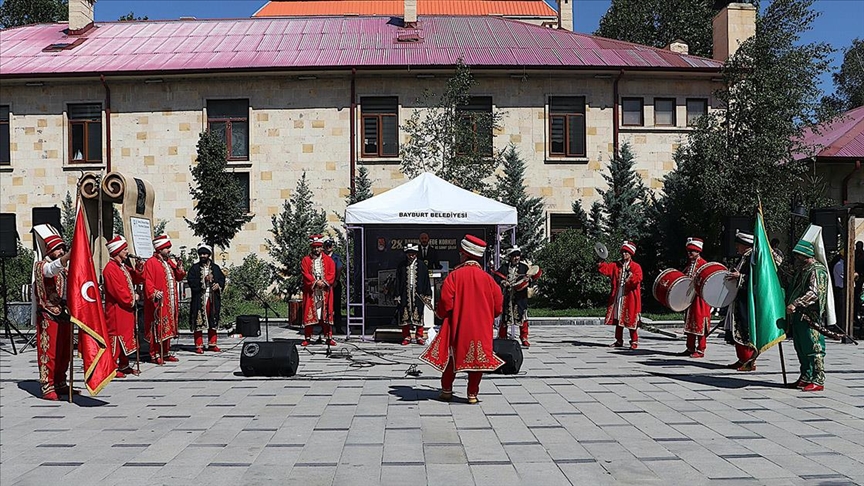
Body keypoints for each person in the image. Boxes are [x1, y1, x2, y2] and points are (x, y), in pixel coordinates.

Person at [420, 235, 504, 404]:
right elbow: (498, 306)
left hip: (458, 325)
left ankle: (446, 390)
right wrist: (488, 315)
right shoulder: (488, 279)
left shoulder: (454, 276)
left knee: (452, 357)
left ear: (465, 255)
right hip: (481, 327)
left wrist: (441, 314)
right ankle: (472, 394)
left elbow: (445, 302)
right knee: (477, 359)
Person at [33, 230, 72, 400]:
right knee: (49, 351)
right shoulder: (42, 265)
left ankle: (60, 382)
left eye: (63, 248)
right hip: (48, 314)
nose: (61, 251)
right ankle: (47, 384)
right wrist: (68, 257)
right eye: (57, 248)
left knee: (64, 351)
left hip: (64, 313)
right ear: (49, 251)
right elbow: (51, 270)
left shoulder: (65, 269)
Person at [786, 239, 829, 392]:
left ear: (806, 254)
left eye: (799, 255)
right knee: (801, 347)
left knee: (814, 347)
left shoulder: (816, 270)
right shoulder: (803, 269)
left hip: (811, 316)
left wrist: (796, 303)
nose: (797, 258)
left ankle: (818, 379)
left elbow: (814, 292)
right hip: (799, 317)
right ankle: (806, 376)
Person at [102, 235, 144, 377]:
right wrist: (133, 298)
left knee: (126, 337)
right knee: (116, 338)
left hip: (125, 310)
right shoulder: (110, 269)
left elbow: (137, 277)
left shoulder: (123, 267)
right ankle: (113, 368)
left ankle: (124, 364)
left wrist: (139, 266)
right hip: (116, 310)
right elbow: (117, 291)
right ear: (117, 250)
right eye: (124, 249)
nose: (127, 251)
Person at [143, 234, 186, 364]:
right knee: (157, 327)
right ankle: (155, 354)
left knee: (168, 326)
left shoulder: (168, 262)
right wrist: (154, 293)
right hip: (159, 301)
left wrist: (179, 267)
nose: (169, 250)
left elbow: (179, 276)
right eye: (166, 248)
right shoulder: (151, 262)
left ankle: (166, 352)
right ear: (159, 249)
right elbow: (147, 281)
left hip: (170, 301)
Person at [493, 245, 542, 348]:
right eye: (514, 256)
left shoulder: (524, 267)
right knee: (505, 318)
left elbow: (532, 278)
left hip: (520, 297)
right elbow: (497, 277)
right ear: (510, 257)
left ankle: (524, 338)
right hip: (508, 297)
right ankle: (502, 337)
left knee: (523, 317)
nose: (516, 258)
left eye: (518, 255)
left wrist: (527, 280)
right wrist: (503, 282)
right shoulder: (504, 267)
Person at [598, 241, 643, 350]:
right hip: (618, 295)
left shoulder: (636, 267)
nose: (624, 254)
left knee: (631, 318)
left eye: (626, 252)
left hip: (630, 297)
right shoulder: (616, 265)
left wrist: (630, 277)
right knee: (618, 318)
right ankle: (619, 340)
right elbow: (606, 270)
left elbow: (638, 279)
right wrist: (600, 260)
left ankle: (634, 341)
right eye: (623, 252)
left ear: (631, 254)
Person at [724, 231, 759, 371]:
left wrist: (740, 276)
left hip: (747, 300)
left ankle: (748, 361)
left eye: (738, 245)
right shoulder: (744, 257)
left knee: (745, 329)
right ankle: (742, 359)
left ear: (745, 245)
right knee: (738, 328)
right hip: (739, 298)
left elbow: (757, 277)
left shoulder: (754, 257)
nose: (737, 248)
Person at [187, 243, 225, 354]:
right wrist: (204, 280)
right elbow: (191, 281)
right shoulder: (194, 268)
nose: (203, 256)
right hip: (200, 298)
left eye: (205, 254)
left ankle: (212, 344)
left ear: (209, 255)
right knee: (198, 321)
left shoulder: (216, 268)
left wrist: (218, 285)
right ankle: (198, 345)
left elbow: (222, 279)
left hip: (213, 298)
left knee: (213, 319)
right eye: (201, 254)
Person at [301, 234, 336, 347]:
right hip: (312, 291)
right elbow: (305, 273)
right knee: (309, 312)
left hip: (325, 291)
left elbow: (332, 273)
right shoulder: (306, 260)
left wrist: (324, 282)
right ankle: (307, 337)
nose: (316, 249)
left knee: (326, 314)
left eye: (318, 247)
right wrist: (315, 282)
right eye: (314, 247)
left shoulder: (329, 260)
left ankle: (328, 337)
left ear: (322, 247)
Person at [395, 244, 432, 345]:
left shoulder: (422, 266)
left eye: (413, 254)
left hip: (418, 293)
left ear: (416, 254)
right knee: (404, 314)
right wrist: (397, 294)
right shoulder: (401, 265)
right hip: (404, 292)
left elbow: (426, 281)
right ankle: (406, 337)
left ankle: (419, 336)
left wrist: (427, 294)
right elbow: (398, 280)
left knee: (418, 313)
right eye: (409, 254)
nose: (411, 256)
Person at [681, 238, 711, 358]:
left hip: (700, 299)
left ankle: (701, 349)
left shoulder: (704, 265)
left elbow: (707, 281)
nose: (689, 254)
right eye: (688, 251)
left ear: (698, 251)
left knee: (700, 323)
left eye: (692, 251)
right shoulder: (689, 265)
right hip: (690, 299)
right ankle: (690, 347)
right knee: (690, 322)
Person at [322, 238, 345, 333]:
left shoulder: (336, 257)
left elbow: (339, 269)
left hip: (334, 284)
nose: (328, 248)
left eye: (330, 246)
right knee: (325, 306)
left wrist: (336, 280)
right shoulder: (321, 257)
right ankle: (325, 327)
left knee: (336, 306)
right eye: (326, 246)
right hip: (324, 284)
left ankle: (338, 327)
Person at [831, 251, 845, 331]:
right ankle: (839, 327)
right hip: (840, 289)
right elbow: (845, 277)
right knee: (841, 309)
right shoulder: (839, 265)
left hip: (843, 289)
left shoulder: (843, 264)